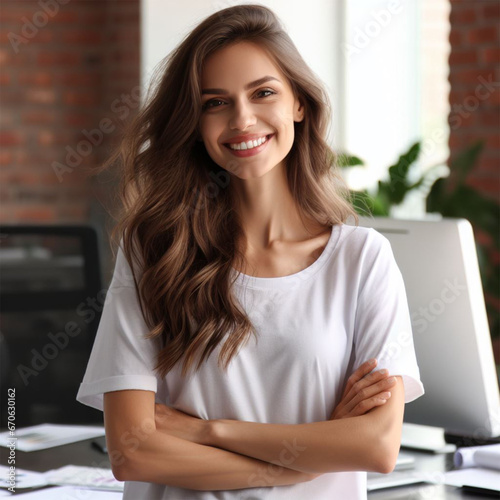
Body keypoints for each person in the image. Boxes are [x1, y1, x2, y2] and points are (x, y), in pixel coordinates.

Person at [76, 4, 424, 499]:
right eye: (215, 102)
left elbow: (376, 445)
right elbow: (133, 452)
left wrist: (205, 430)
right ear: (194, 122)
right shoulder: (157, 250)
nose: (242, 119)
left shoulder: (362, 261)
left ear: (299, 103)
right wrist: (299, 464)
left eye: (263, 93)